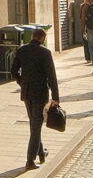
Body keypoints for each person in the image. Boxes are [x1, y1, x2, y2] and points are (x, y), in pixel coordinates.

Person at [14, 27, 59, 168]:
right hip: (40, 92)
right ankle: (30, 160)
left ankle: (41, 153)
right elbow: (51, 76)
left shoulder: (22, 50)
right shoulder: (45, 52)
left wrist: (22, 82)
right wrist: (55, 97)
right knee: (36, 125)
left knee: (34, 124)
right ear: (42, 38)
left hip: (26, 92)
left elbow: (13, 71)